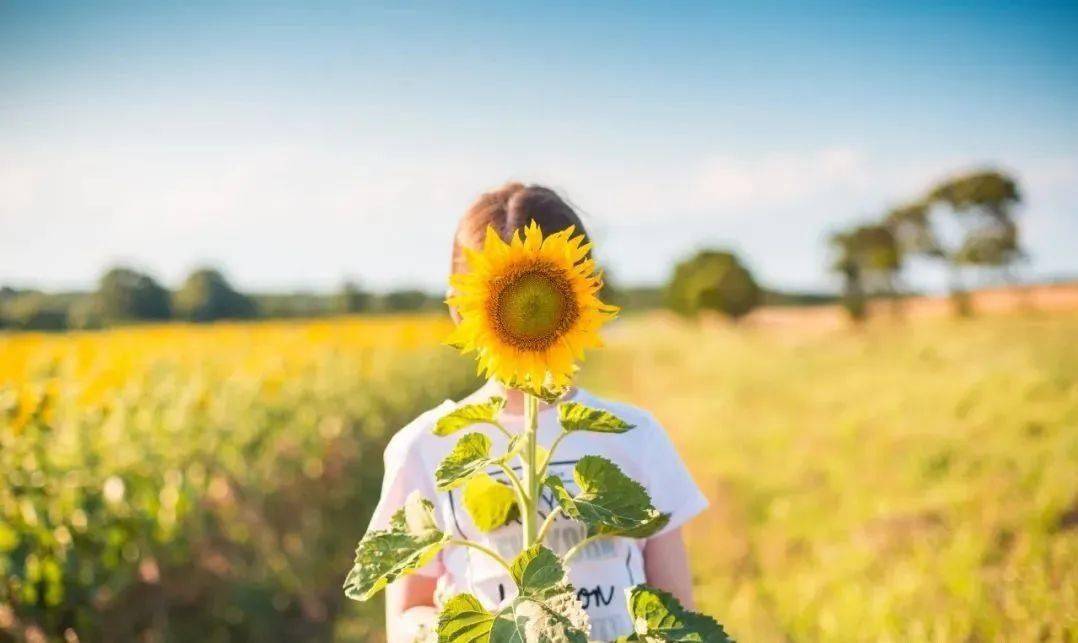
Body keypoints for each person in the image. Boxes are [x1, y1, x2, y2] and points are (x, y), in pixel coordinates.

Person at [367, 182, 709, 641]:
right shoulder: (427, 447)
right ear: (460, 309)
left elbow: (677, 612)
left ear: (585, 293)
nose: (529, 309)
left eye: (548, 289)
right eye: (502, 296)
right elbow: (409, 611)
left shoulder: (635, 437)